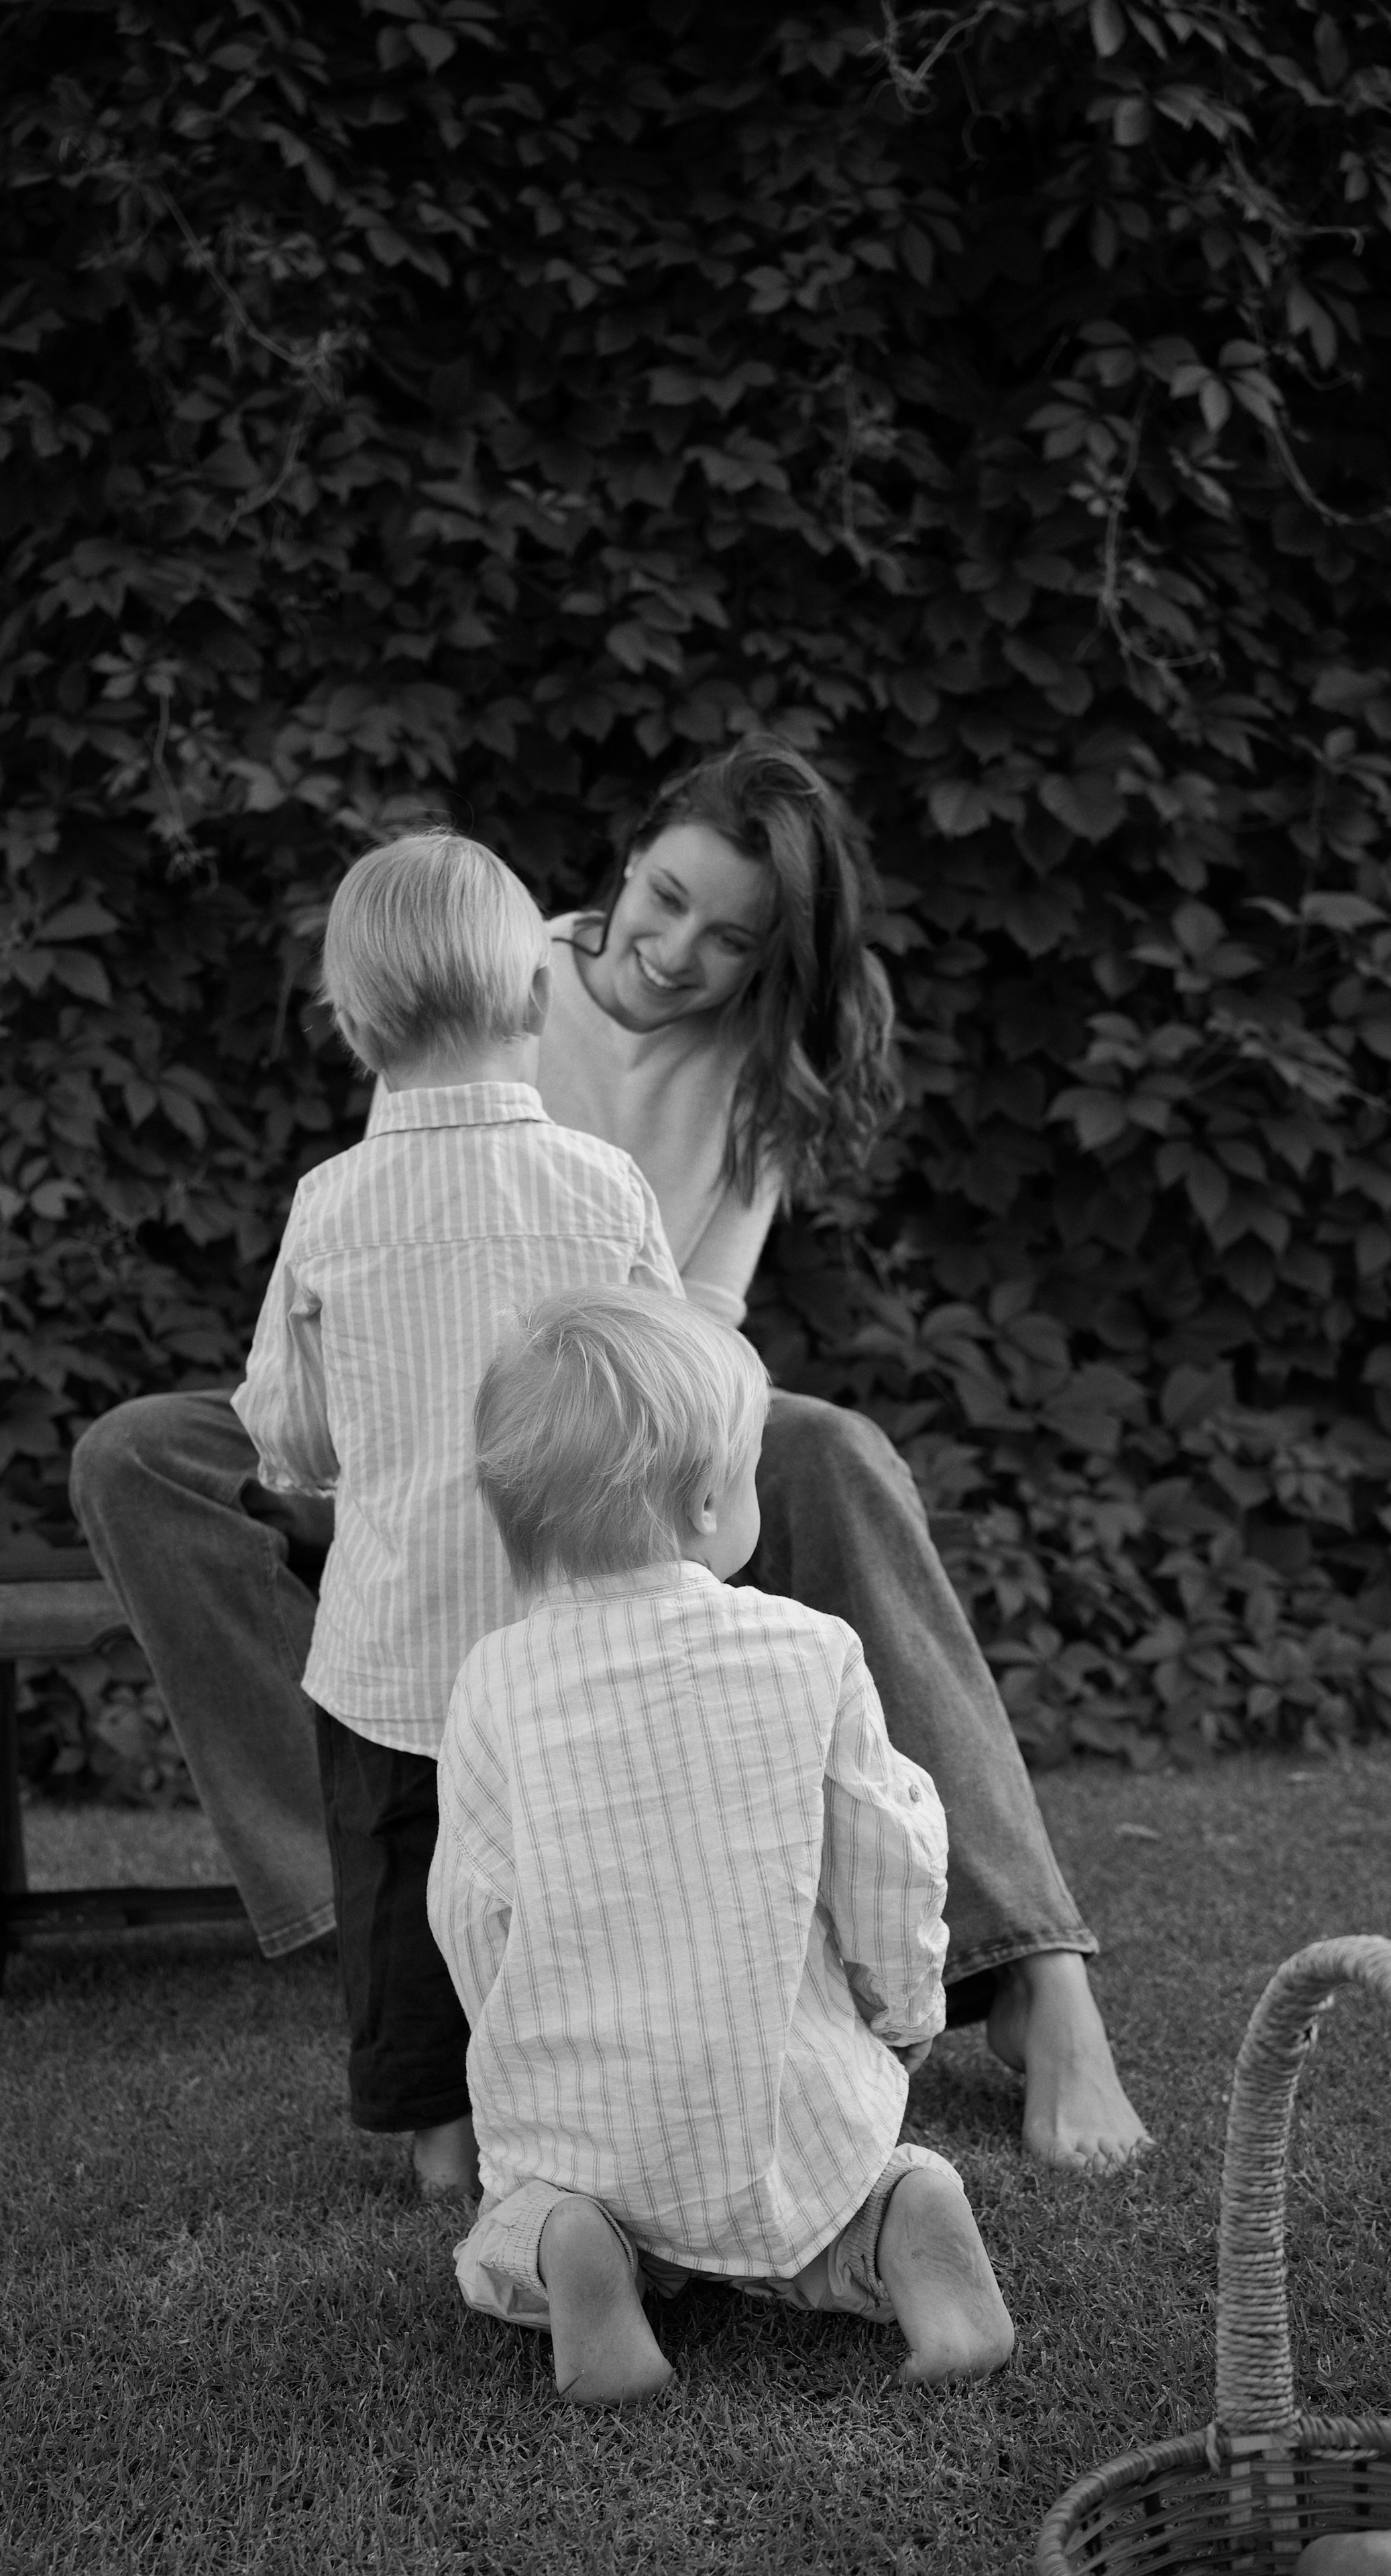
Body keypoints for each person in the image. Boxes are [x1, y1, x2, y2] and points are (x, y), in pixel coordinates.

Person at [70, 733, 1150, 2174]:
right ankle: (384, 1886)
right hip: (413, 1411)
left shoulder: (760, 1069)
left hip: (611, 1406)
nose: (673, 951)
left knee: (832, 1452)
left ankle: (1035, 1977)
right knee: (137, 1454)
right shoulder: (478, 948)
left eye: (728, 939)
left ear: (771, 960)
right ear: (624, 860)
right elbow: (364, 1262)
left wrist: (612, 1433)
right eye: (663, 898)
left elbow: (692, 1331)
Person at [432, 1285, 1015, 2404]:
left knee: (514, 2231)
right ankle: (904, 2220)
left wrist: (512, 2041)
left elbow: (473, 1907)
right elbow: (887, 1856)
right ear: (708, 1502)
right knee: (855, 2192)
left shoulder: (495, 1681)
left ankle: (581, 2255)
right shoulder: (813, 1651)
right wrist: (903, 2013)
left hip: (588, 2117)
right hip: (789, 2111)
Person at [233, 826, 684, 2198]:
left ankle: (444, 2134)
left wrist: (325, 1474)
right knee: (584, 1868)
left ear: (352, 1022)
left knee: (403, 1880)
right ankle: (597, 2106)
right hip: (582, 1629)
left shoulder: (331, 1204)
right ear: (538, 1002)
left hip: (398, 1642)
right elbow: (668, 1389)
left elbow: (285, 1425)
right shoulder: (602, 1186)